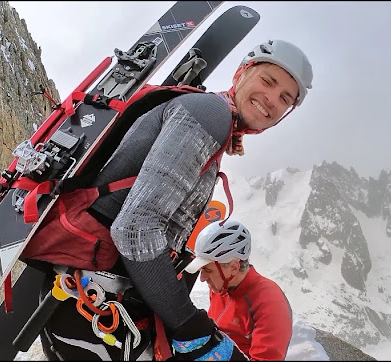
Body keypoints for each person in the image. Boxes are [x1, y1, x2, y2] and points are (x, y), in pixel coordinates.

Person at [38, 39, 313, 361]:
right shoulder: (210, 114)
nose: (272, 100)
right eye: (268, 81)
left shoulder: (209, 117)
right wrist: (189, 325)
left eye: (285, 99)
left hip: (93, 303)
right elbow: (136, 228)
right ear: (241, 73)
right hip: (98, 305)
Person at [184, 220, 293, 361]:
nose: (202, 278)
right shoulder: (220, 287)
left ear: (234, 267)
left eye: (208, 270)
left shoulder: (269, 303)